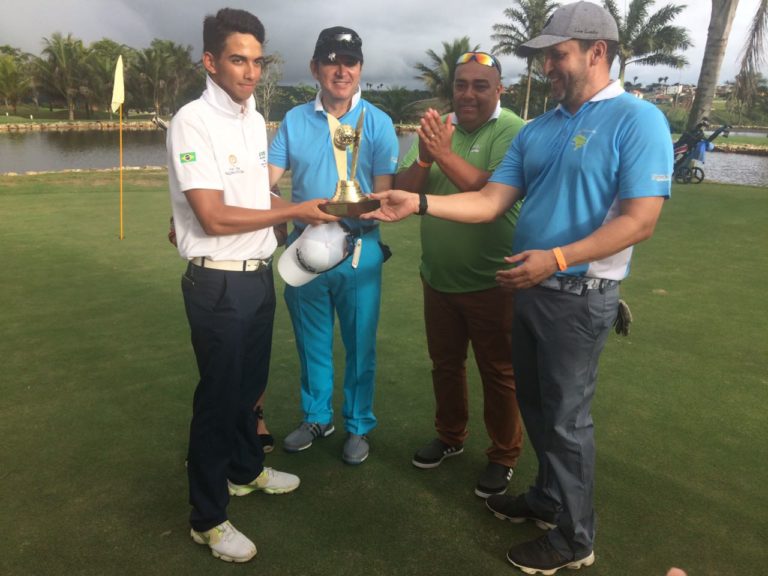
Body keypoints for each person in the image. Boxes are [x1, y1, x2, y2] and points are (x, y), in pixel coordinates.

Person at [363, 2, 672, 573]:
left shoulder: (637, 118)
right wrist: (419, 200)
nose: (547, 67)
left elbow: (639, 221)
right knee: (535, 406)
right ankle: (548, 498)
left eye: (558, 55)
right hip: (530, 289)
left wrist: (554, 259)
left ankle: (575, 540)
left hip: (579, 296)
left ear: (597, 52)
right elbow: (489, 200)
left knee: (565, 421)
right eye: (544, 57)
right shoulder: (542, 129)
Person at [167, 8, 337, 563]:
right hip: (217, 284)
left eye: (257, 61)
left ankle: (244, 471)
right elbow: (214, 217)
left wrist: (288, 214)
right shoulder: (192, 120)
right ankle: (208, 518)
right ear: (210, 60)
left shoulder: (250, 117)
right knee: (218, 402)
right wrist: (294, 208)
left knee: (248, 390)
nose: (250, 71)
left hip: (257, 275)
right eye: (238, 59)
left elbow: (250, 198)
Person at [394, 51, 526, 498]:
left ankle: (503, 454)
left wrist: (441, 153)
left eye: (480, 85)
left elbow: (488, 192)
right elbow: (404, 193)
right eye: (461, 85)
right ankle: (451, 437)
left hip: (494, 280)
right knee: (445, 365)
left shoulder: (512, 130)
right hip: (438, 277)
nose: (467, 94)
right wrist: (427, 159)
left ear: (499, 89)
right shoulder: (439, 127)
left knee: (499, 372)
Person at [268, 27, 398, 465]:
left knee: (361, 344)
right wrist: (284, 213)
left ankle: (359, 423)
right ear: (315, 68)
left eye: (350, 61)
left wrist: (358, 210)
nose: (341, 70)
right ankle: (317, 417)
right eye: (331, 60)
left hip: (359, 251)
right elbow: (265, 184)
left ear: (360, 67)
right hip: (307, 250)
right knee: (311, 341)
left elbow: (383, 194)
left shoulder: (378, 122)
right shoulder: (294, 120)